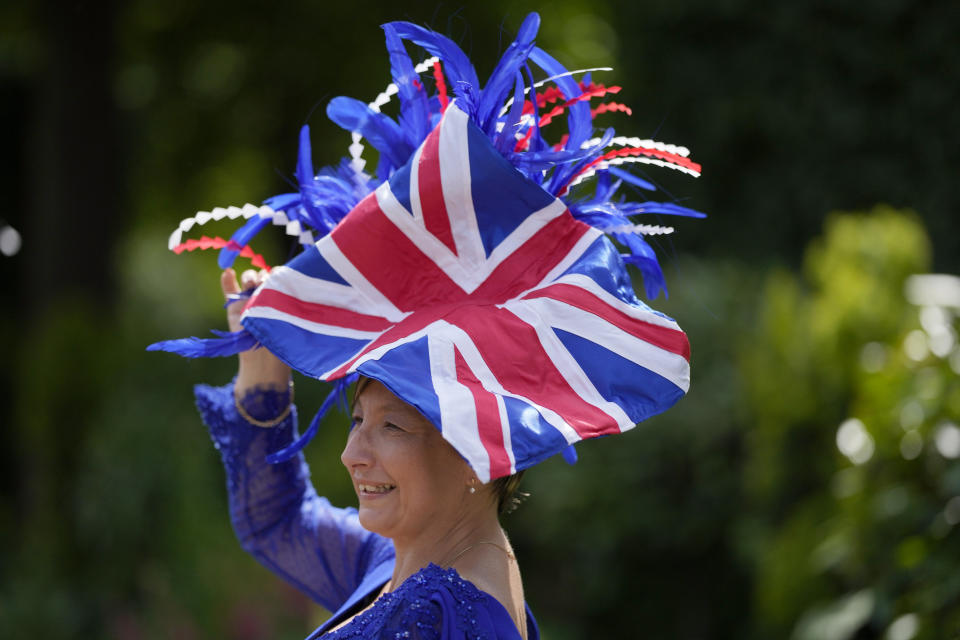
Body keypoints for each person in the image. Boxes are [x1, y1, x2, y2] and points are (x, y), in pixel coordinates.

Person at [151, 12, 702, 639]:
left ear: (473, 447)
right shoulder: (397, 562)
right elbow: (276, 525)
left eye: (391, 426)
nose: (352, 453)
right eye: (358, 420)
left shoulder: (445, 611)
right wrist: (262, 373)